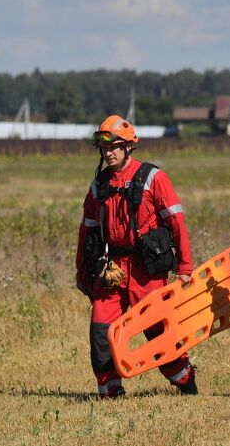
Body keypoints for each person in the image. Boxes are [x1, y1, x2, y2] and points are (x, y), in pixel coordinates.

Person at [76, 115, 195, 398]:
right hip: (112, 271)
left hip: (147, 272)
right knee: (101, 333)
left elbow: (176, 222)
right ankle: (110, 391)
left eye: (116, 147)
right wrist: (82, 274)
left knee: (158, 334)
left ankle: (185, 380)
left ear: (129, 147)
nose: (109, 153)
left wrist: (185, 266)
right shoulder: (99, 186)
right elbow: (87, 233)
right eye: (105, 148)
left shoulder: (154, 178)